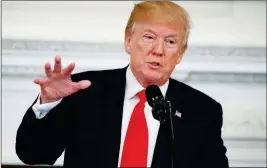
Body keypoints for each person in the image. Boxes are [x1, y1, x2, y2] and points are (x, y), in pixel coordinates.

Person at [15, 1, 229, 168]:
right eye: (149, 37)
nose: (158, 50)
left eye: (171, 42)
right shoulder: (84, 90)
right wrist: (50, 102)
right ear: (128, 41)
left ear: (181, 53)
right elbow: (33, 154)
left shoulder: (202, 111)